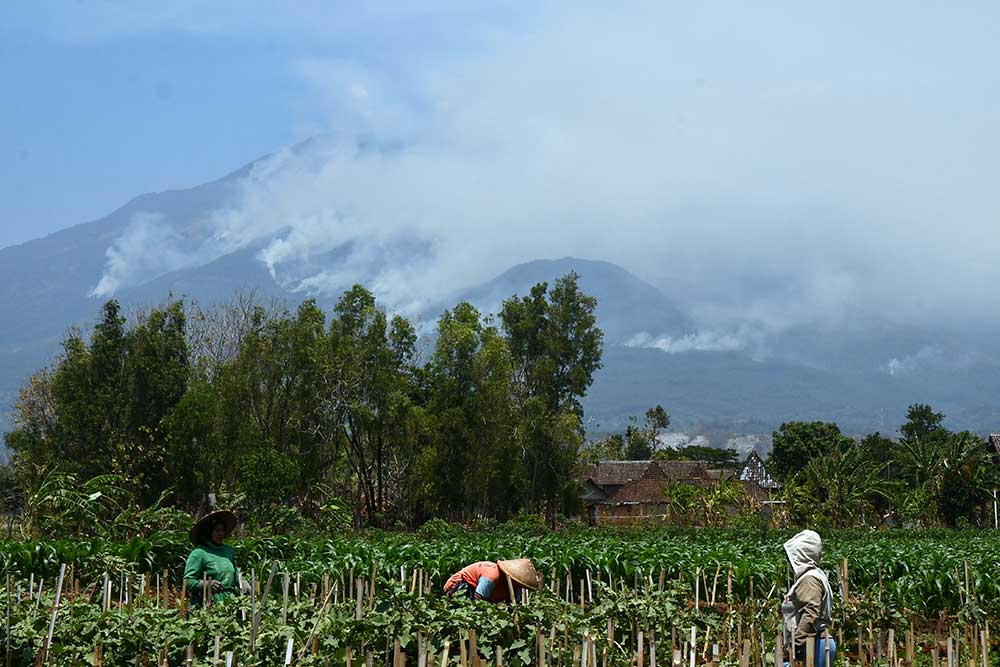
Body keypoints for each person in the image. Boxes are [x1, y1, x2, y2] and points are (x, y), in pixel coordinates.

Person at [782, 530, 836, 667]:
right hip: (816, 643)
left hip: (813, 645)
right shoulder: (816, 575)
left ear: (801, 555)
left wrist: (796, 645)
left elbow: (810, 613)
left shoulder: (809, 579)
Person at [184, 509, 244, 605]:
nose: (221, 534)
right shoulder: (199, 553)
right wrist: (206, 584)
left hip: (230, 602)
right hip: (208, 603)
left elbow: (234, 573)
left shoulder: (228, 551)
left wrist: (243, 583)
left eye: (223, 530)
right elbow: (188, 581)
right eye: (217, 530)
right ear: (209, 532)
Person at [443, 558, 541, 603]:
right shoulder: (491, 575)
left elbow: (515, 604)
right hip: (462, 587)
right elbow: (478, 600)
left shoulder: (515, 585)